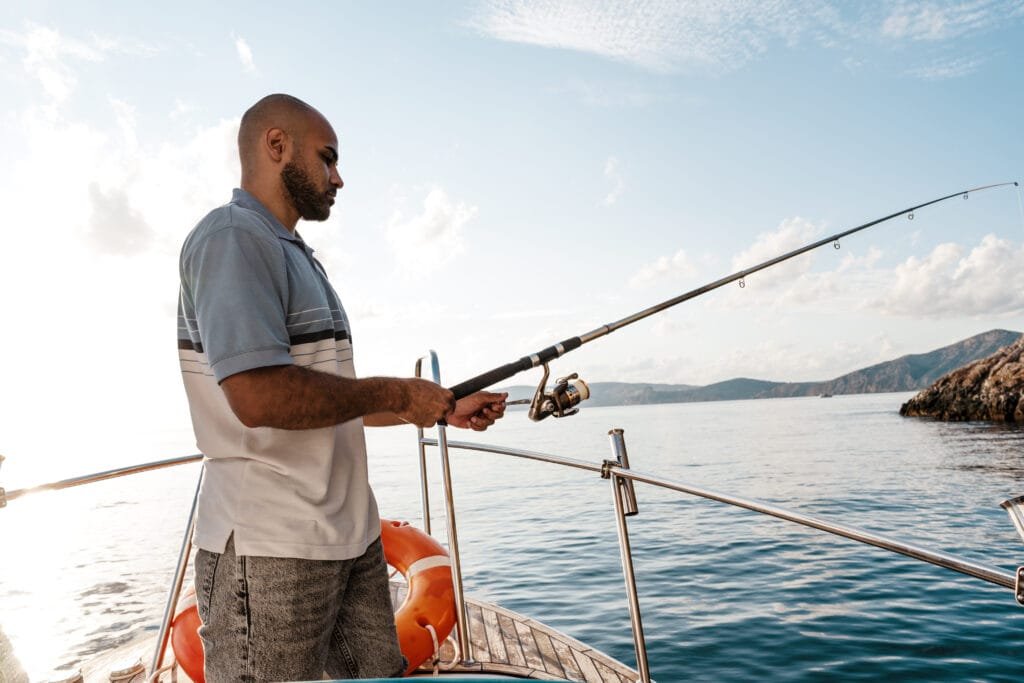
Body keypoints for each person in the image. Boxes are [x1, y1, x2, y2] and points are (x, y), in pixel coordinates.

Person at [176, 93, 507, 681]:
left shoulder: (297, 254)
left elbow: (327, 399)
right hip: (271, 545)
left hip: (349, 538)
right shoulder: (232, 239)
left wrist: (443, 405)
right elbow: (257, 396)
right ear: (276, 145)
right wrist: (399, 394)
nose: (339, 178)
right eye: (327, 159)